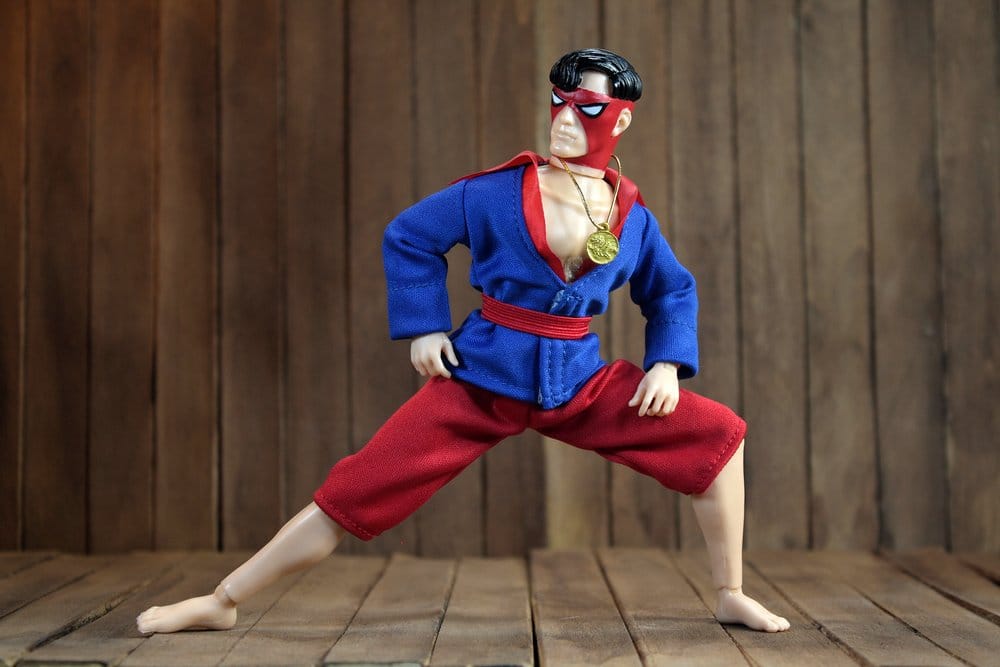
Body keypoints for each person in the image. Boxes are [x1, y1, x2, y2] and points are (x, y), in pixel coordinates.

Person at [137, 48, 790, 635]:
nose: (565, 120)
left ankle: (730, 591)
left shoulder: (633, 219)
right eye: (558, 102)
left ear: (620, 120)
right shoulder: (494, 194)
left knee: (720, 438)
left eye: (588, 108)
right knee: (354, 489)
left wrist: (666, 363)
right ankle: (223, 598)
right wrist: (424, 325)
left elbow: (672, 290)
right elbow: (410, 236)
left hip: (578, 381)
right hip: (479, 373)